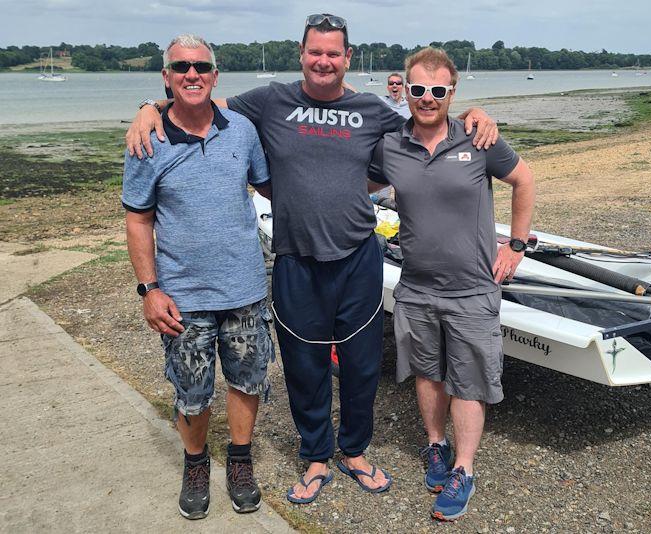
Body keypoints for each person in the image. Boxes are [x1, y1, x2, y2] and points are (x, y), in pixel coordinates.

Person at [125, 13, 499, 505]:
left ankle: (355, 451)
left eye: (333, 53)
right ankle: (317, 455)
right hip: (296, 259)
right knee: (305, 365)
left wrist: (477, 114)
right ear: (301, 54)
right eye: (314, 52)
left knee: (364, 366)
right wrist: (148, 108)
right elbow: (199, 102)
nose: (323, 61)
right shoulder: (269, 101)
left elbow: (430, 119)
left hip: (357, 257)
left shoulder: (372, 109)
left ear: (347, 58)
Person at [367, 47, 535, 521]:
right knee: (427, 372)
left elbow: (524, 181)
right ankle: (435, 446)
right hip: (417, 287)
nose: (426, 98)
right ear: (406, 87)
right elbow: (356, 182)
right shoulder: (391, 144)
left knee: (469, 380)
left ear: (452, 93)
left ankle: (463, 468)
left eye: (437, 91)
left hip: (472, 289)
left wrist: (515, 246)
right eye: (417, 89)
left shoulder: (477, 137)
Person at [123, 34, 273, 520]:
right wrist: (149, 289)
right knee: (191, 389)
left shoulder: (243, 130)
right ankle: (194, 463)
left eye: (201, 66)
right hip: (183, 296)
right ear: (166, 77)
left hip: (245, 288)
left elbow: (271, 184)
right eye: (181, 67)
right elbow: (137, 219)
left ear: (215, 74)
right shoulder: (148, 140)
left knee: (247, 382)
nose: (193, 74)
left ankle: (240, 460)